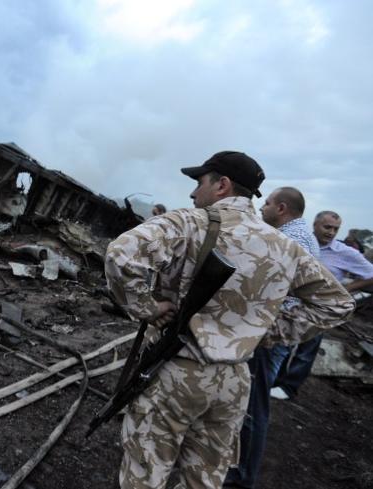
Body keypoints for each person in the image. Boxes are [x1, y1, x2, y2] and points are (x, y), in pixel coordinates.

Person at [105, 151, 354, 489]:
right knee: (205, 478)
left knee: (146, 473)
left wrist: (147, 308)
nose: (194, 193)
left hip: (179, 368)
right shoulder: (287, 247)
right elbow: (337, 304)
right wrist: (266, 333)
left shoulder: (190, 222)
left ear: (221, 185)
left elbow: (121, 255)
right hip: (236, 380)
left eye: (199, 183)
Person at [224, 186, 319, 489]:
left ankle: (241, 478)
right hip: (275, 330)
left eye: (266, 204)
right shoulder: (301, 235)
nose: (261, 208)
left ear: (281, 208)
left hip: (270, 333)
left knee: (253, 406)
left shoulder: (291, 239)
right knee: (250, 402)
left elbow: (265, 286)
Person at [271, 211, 373, 400]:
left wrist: (346, 288)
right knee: (283, 342)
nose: (331, 232)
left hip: (318, 309)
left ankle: (289, 387)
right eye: (327, 227)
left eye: (335, 229)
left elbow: (370, 274)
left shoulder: (345, 253)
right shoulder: (305, 244)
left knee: (306, 349)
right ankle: (275, 381)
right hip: (293, 304)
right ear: (315, 225)